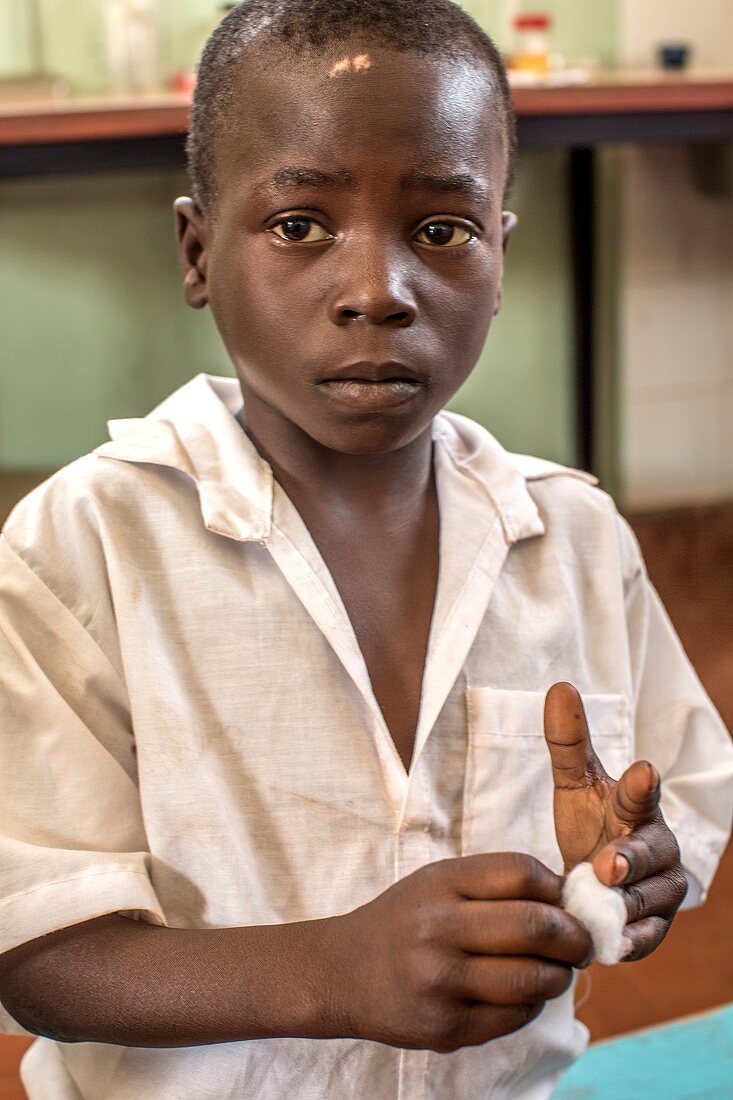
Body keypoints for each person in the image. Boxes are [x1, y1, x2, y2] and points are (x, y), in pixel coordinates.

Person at [0, 1, 731, 1097]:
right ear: (198, 252)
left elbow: (673, 809)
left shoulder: (574, 535)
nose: (378, 291)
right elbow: (34, 944)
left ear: (499, 254)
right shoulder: (85, 546)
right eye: (300, 224)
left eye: (441, 230)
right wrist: (332, 968)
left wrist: (634, 871)